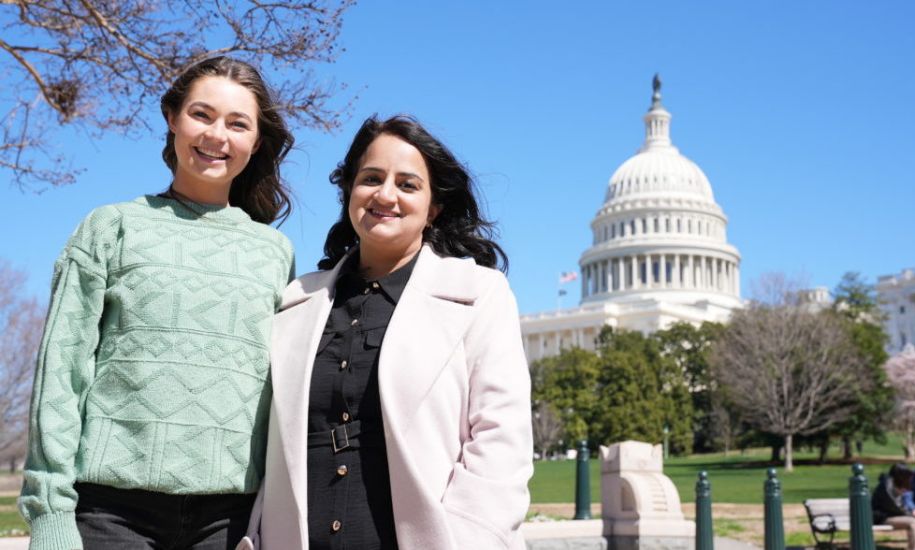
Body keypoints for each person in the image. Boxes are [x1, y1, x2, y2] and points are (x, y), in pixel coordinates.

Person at [18, 56, 296, 550]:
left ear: (255, 142)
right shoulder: (111, 227)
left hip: (230, 521)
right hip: (111, 514)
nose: (217, 135)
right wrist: (49, 514)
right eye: (202, 115)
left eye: (238, 124)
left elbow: (280, 392)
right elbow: (62, 372)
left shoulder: (275, 252)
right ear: (172, 118)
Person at [241, 115, 533, 550]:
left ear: (433, 207)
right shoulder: (294, 301)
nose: (385, 195)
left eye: (408, 184)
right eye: (371, 178)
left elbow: (499, 436)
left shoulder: (478, 294)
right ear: (349, 193)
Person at [873, 463, 915, 550]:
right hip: (883, 517)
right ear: (900, 474)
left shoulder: (897, 484)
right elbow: (895, 507)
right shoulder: (886, 486)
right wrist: (911, 514)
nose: (909, 478)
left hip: (894, 516)